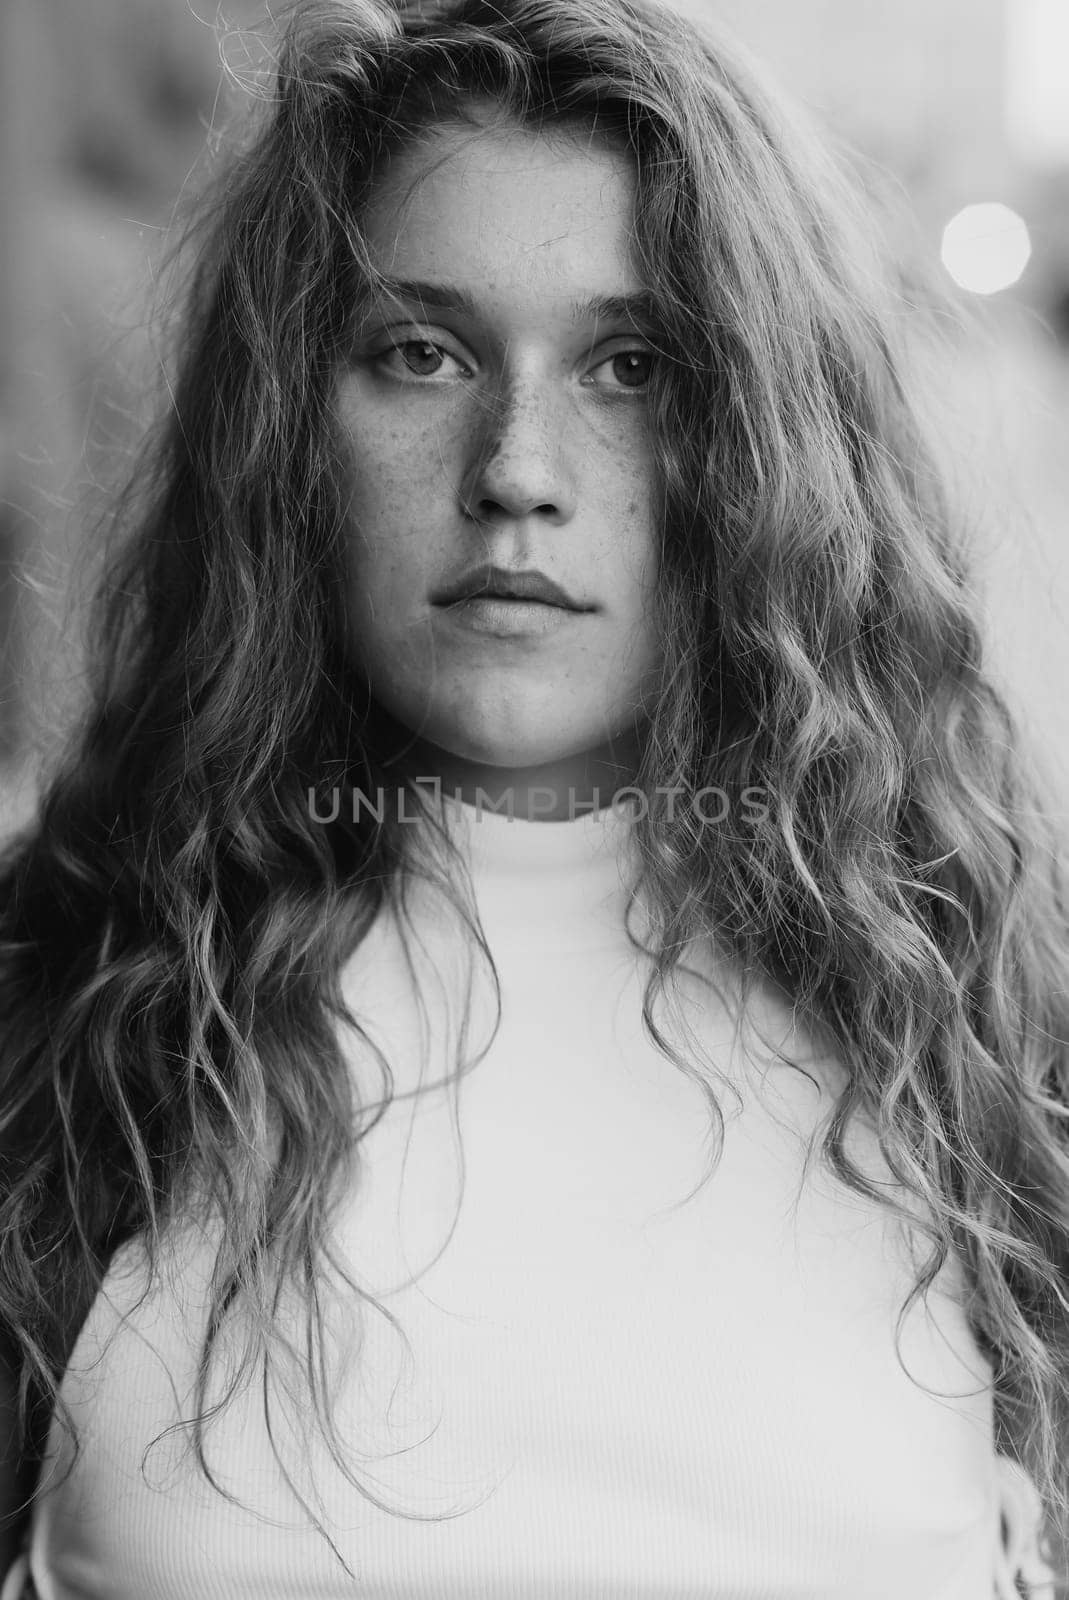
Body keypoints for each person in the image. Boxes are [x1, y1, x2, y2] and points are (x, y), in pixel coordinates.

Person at [0, 0, 1066, 1594]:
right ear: (294, 422)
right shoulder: (63, 995)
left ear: (761, 435)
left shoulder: (975, 1022)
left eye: (630, 365)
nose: (517, 466)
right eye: (418, 354)